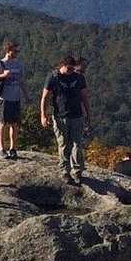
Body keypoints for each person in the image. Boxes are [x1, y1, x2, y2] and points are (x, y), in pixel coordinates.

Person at [42, 53, 89, 183]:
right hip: (60, 115)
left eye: (72, 68)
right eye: (68, 68)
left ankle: (77, 170)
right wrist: (43, 116)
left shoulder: (79, 78)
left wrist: (88, 114)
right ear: (62, 65)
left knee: (76, 143)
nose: (70, 71)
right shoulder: (53, 77)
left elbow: (84, 96)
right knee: (63, 143)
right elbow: (45, 97)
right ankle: (65, 170)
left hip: (77, 115)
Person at [0, 40, 25, 160]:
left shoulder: (19, 65)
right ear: (8, 51)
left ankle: (13, 149)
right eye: (15, 51)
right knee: (2, 123)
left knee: (14, 124)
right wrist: (3, 75)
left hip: (15, 98)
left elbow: (21, 81)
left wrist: (25, 94)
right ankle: (2, 149)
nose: (17, 53)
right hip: (3, 98)